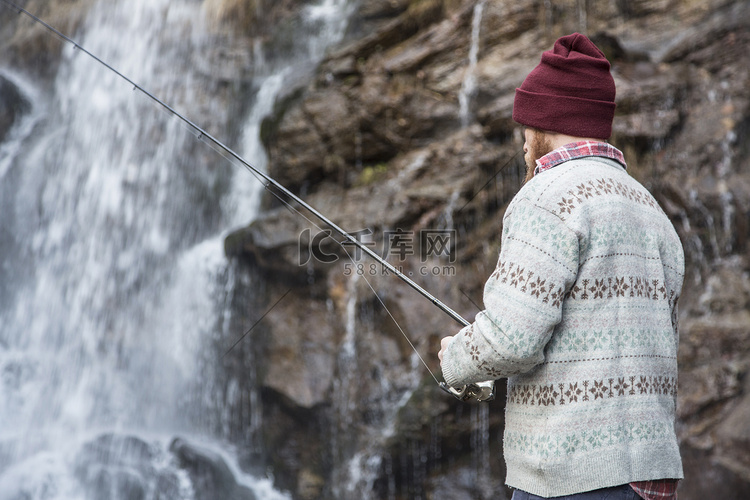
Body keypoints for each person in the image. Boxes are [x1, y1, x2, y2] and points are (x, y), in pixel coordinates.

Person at [438, 33, 684, 500]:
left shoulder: (546, 197)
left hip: (574, 473)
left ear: (543, 121)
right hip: (650, 475)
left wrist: (455, 356)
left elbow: (512, 340)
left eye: (525, 128)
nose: (525, 144)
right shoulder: (651, 210)